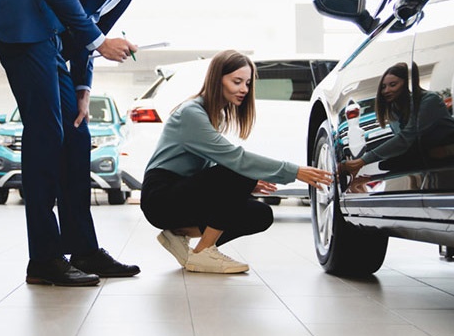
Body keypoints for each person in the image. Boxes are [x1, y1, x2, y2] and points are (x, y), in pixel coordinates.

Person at [0, 0, 212, 287]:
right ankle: (43, 258)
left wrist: (83, 89)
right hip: (22, 15)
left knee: (76, 134)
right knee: (47, 133)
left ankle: (83, 248)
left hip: (49, 34)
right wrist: (101, 43)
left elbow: (88, 25)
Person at [139, 50, 334, 274]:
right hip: (161, 197)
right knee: (238, 170)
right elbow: (235, 159)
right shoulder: (191, 113)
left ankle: (178, 234)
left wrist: (248, 183)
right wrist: (294, 171)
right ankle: (203, 252)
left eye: (248, 83)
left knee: (260, 215)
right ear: (217, 79)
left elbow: (212, 165)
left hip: (181, 192)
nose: (244, 89)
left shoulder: (215, 114)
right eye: (237, 81)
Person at [341, 62, 454, 178]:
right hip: (429, 161)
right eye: (383, 87)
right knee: (386, 165)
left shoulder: (429, 101)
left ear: (406, 84)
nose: (386, 91)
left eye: (393, 85)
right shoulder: (393, 111)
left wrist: (363, 160)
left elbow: (407, 138)